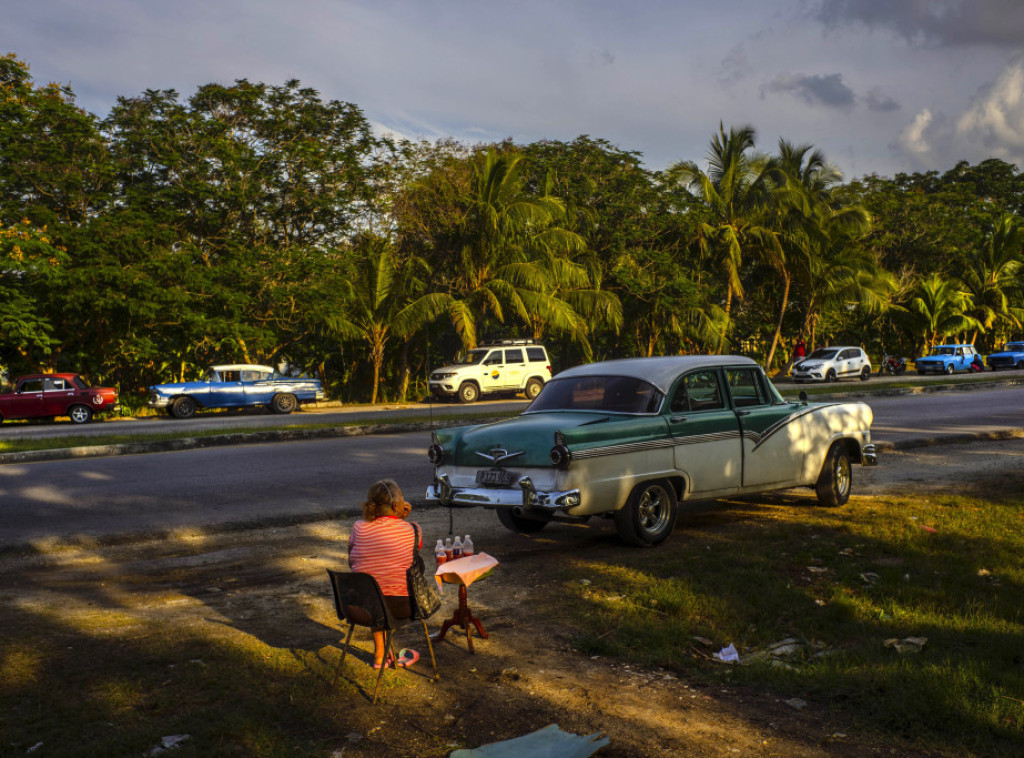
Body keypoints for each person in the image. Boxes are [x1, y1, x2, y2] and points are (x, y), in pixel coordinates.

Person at [347, 479, 421, 668]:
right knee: (386, 591)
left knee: (373, 590)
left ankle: (380, 653)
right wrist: (402, 519)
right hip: (401, 607)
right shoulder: (412, 530)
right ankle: (385, 653)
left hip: (361, 609)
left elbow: (351, 559)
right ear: (397, 505)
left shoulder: (358, 527)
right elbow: (413, 552)